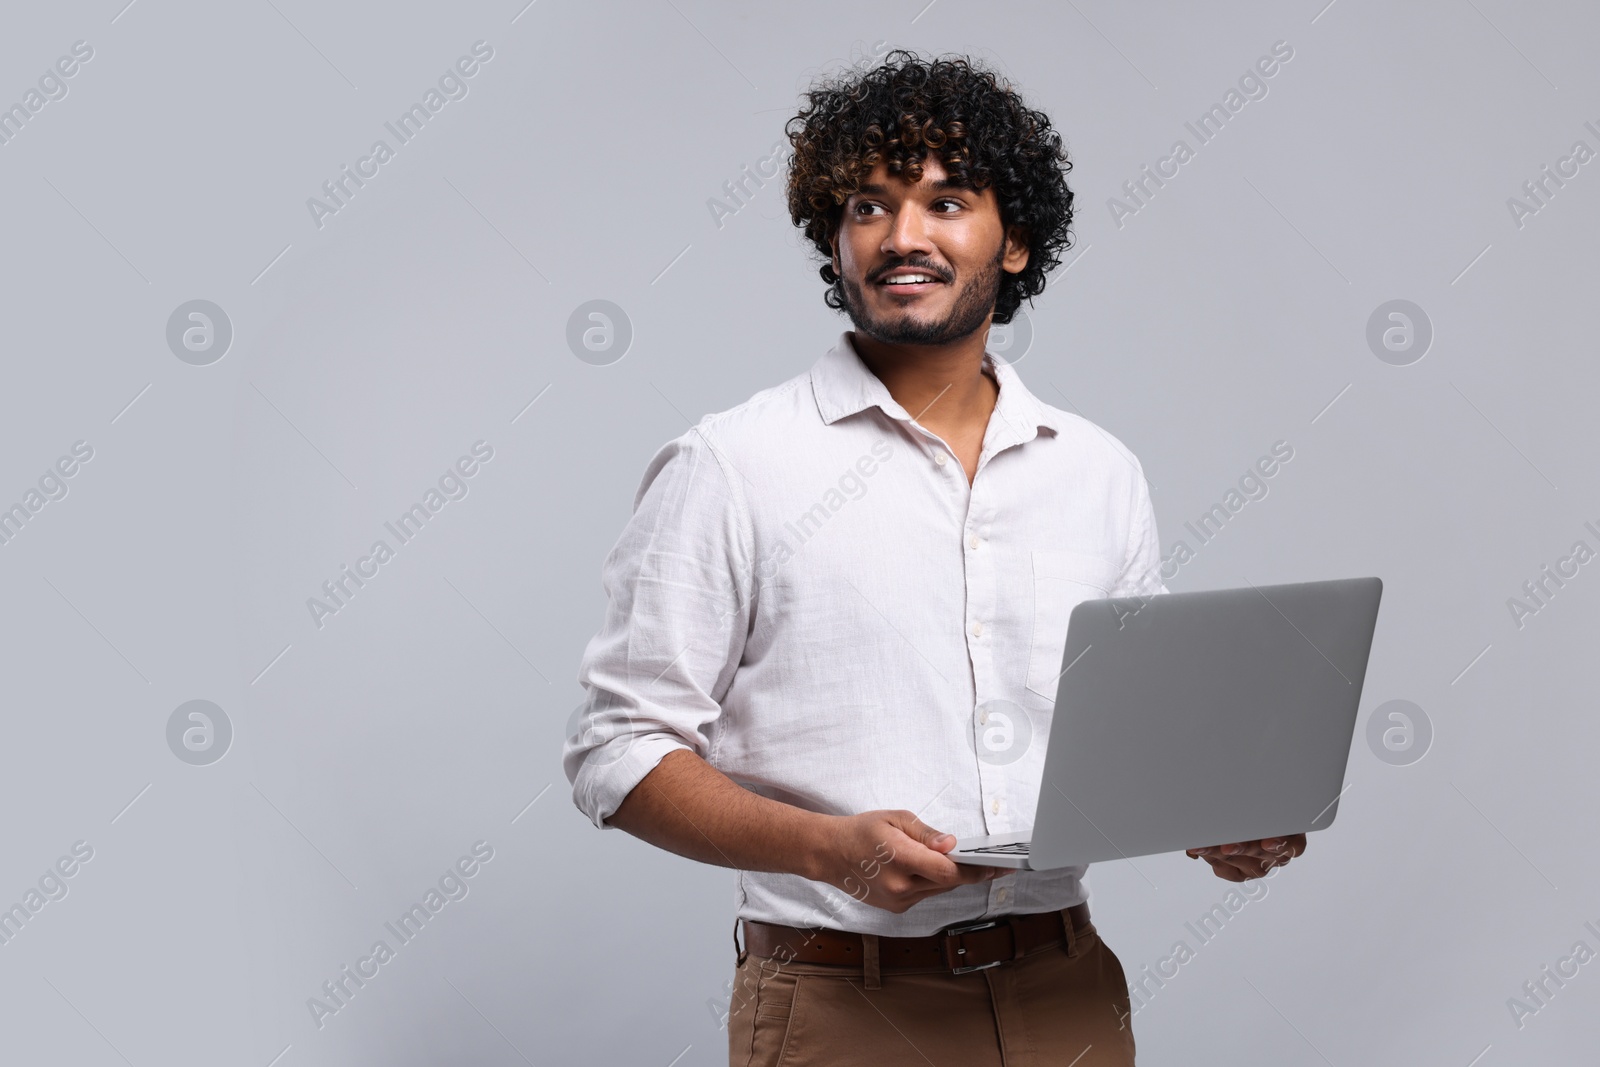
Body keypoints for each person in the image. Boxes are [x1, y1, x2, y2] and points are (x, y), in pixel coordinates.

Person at [562, 48, 1305, 1067]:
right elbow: (615, 751)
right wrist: (827, 848)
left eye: (947, 201)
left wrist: (1214, 820)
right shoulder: (731, 465)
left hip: (1067, 990)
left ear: (1015, 242)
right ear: (835, 240)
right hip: (839, 1003)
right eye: (867, 206)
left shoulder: (1096, 470)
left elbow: (1133, 733)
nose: (902, 236)